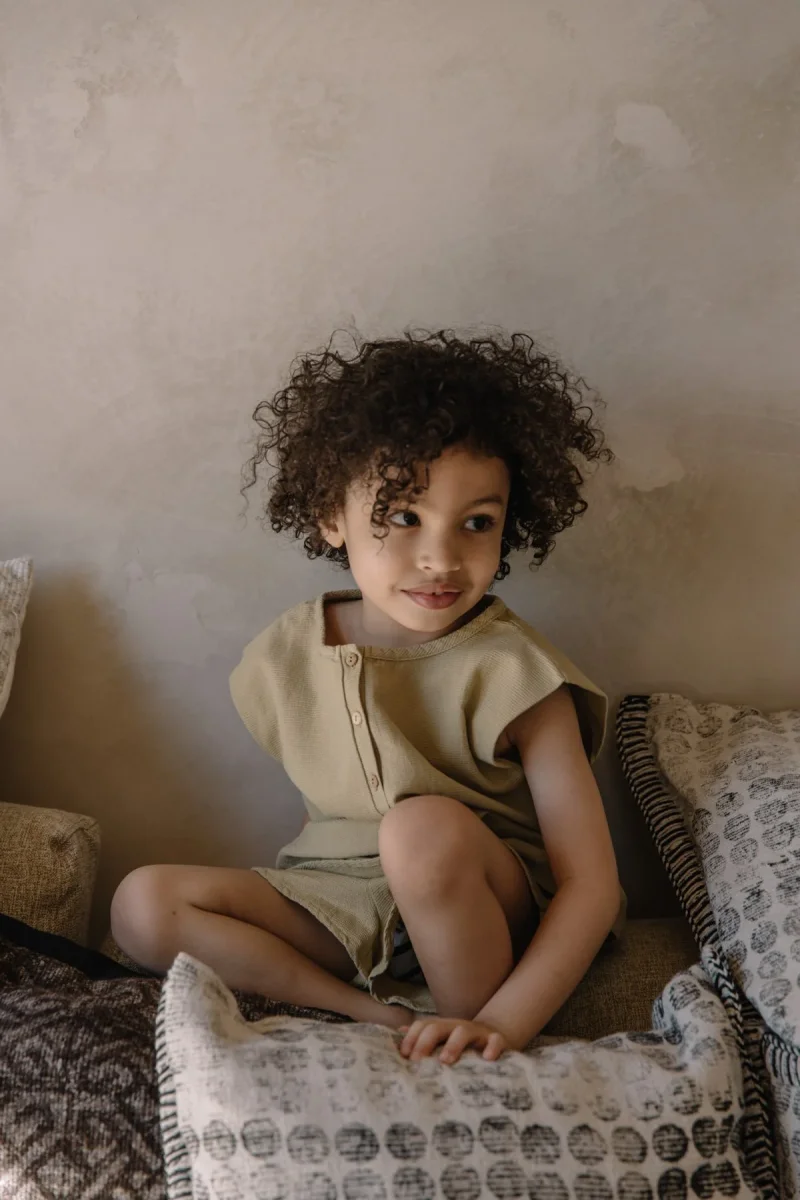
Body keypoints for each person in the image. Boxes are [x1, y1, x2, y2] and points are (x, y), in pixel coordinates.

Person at [111, 328, 623, 1065]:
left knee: (419, 832)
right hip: (340, 900)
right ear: (332, 517)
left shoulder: (520, 673)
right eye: (404, 517)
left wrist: (507, 1024)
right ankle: (370, 1016)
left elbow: (591, 887)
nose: (441, 558)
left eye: (477, 523)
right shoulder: (286, 655)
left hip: (483, 911)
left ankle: (463, 1028)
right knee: (142, 903)